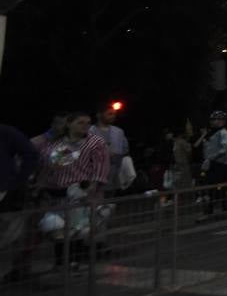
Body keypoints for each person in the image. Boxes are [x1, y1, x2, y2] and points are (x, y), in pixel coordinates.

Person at [26, 112, 110, 272]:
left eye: (88, 122)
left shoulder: (95, 143)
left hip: (80, 192)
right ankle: (61, 262)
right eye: (80, 122)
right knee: (58, 229)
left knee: (77, 230)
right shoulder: (60, 144)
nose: (85, 125)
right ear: (69, 124)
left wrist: (92, 189)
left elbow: (100, 170)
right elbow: (56, 167)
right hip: (57, 192)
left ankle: (72, 262)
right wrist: (41, 184)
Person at [0, 124, 40, 283]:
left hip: (5, 194)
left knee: (5, 241)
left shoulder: (4, 132)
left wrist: (18, 181)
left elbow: (30, 154)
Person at [197, 110, 227, 221]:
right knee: (209, 188)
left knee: (219, 187)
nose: (213, 121)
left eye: (216, 119)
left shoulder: (224, 133)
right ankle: (209, 211)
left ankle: (224, 209)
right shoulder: (211, 132)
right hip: (210, 164)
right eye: (212, 119)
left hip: (219, 164)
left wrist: (213, 157)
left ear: (222, 121)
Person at [90, 106, 131, 195]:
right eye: (109, 114)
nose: (113, 116)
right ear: (99, 115)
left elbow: (125, 150)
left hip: (114, 174)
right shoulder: (90, 131)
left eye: (114, 114)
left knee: (111, 203)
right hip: (94, 175)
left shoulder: (119, 132)